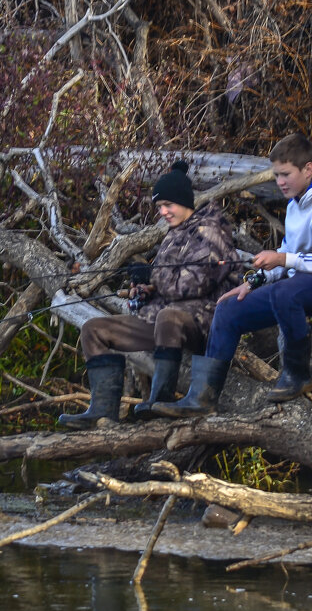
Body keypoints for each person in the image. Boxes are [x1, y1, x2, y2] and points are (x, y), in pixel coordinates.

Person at [153, 133, 312, 418]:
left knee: (287, 290)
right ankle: (201, 398)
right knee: (229, 309)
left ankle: (296, 375)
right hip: (301, 288)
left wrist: (281, 258)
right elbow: (289, 256)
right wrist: (252, 282)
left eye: (285, 174)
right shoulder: (295, 205)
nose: (279, 182)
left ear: (308, 170)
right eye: (276, 175)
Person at [59, 160, 238, 429]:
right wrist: (146, 289)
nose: (163, 212)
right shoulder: (174, 233)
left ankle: (160, 400)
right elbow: (168, 284)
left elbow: (192, 285)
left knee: (169, 316)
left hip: (203, 321)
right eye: (159, 207)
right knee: (93, 330)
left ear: (185, 201)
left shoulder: (209, 232)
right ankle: (103, 410)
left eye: (168, 205)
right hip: (162, 321)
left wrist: (151, 276)